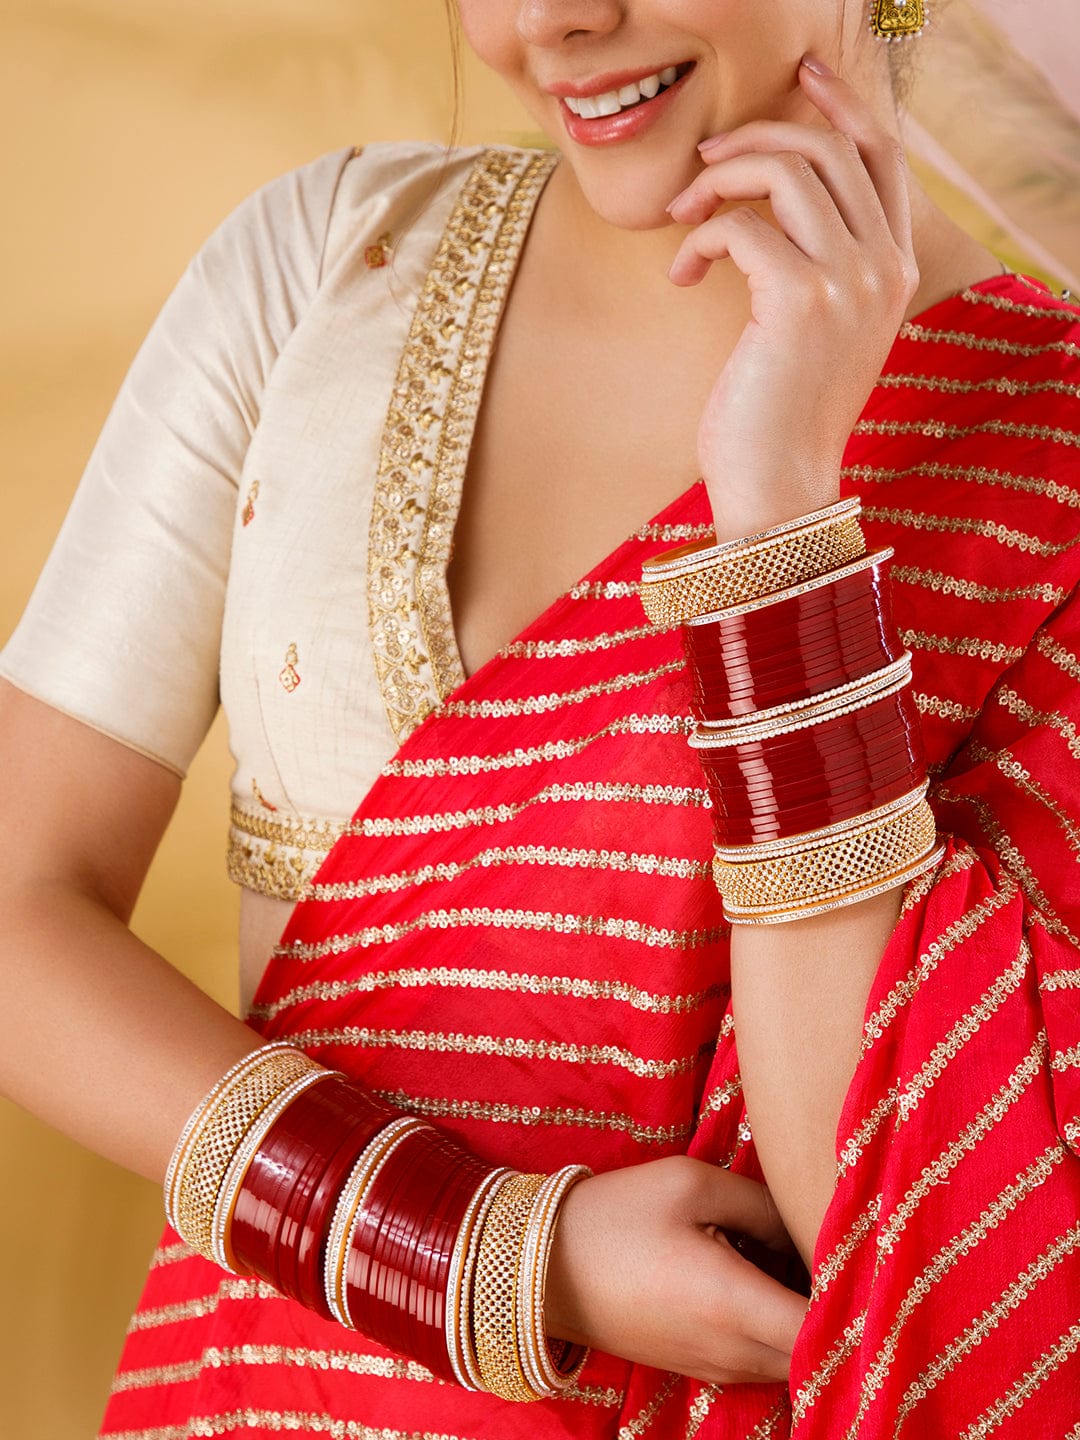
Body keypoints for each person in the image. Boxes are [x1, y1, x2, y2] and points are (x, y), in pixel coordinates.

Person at [1, 0, 1077, 1435]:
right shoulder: (324, 268)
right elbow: (17, 906)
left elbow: (924, 1244)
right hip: (250, 1392)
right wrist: (494, 1255)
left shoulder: (1048, 448)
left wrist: (783, 518)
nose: (544, 20)